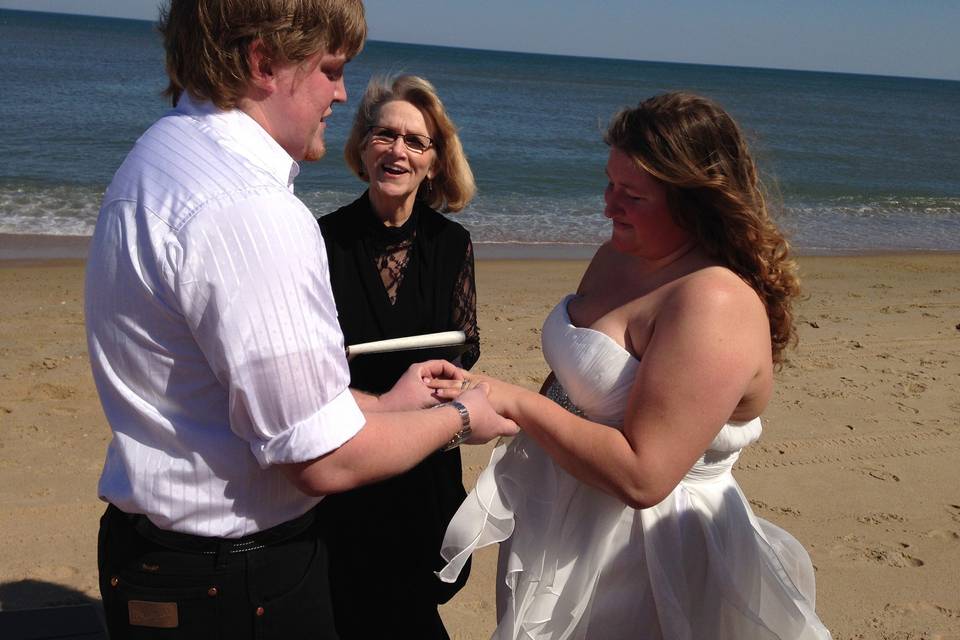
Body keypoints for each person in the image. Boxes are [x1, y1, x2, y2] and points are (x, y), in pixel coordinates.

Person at [84, 2, 516, 638]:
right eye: (331, 69)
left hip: (153, 551)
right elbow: (322, 460)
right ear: (264, 62)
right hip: (234, 581)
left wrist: (389, 404)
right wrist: (460, 418)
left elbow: (249, 406)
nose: (341, 95)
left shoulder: (157, 156)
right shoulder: (250, 209)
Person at [431, 93, 832, 639]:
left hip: (643, 558)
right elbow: (577, 381)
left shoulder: (713, 301)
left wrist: (514, 402)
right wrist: (483, 403)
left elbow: (645, 477)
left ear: (695, 202)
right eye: (609, 184)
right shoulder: (616, 255)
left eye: (633, 195)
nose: (608, 206)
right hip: (556, 524)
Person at [317, 75, 479, 638]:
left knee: (411, 606)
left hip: (423, 465)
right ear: (362, 146)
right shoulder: (321, 240)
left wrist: (448, 395)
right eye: (385, 134)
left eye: (415, 141)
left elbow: (465, 346)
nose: (398, 150)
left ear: (434, 162)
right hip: (348, 456)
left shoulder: (452, 245)